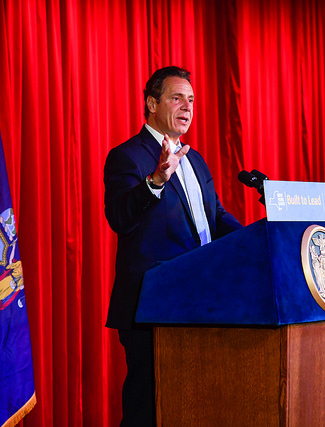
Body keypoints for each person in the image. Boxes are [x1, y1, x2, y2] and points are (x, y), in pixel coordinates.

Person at [103, 66, 242, 426]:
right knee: (147, 409)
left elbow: (215, 217)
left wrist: (255, 239)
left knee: (192, 405)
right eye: (177, 98)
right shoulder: (128, 156)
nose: (187, 107)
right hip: (152, 308)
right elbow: (120, 218)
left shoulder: (194, 158)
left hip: (200, 305)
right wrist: (155, 181)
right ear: (151, 103)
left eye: (191, 100)